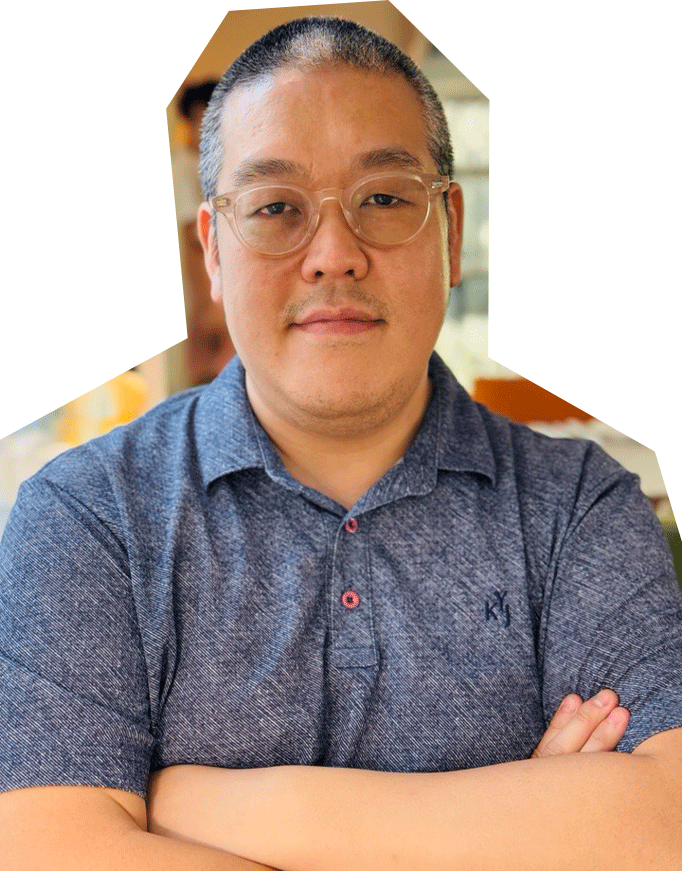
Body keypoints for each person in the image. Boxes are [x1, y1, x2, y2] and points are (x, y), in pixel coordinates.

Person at [1, 16, 681, 870]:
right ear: (212, 249)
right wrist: (529, 829)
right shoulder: (89, 515)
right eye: (277, 207)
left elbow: (666, 822)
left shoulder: (580, 507)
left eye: (386, 199)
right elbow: (43, 848)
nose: (333, 254)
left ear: (451, 230)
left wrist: (210, 804)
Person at [172, 80, 235, 387]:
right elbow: (193, 238)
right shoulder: (182, 166)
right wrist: (208, 306)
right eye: (201, 118)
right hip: (203, 291)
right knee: (208, 372)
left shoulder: (210, 165)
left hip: (217, 287)